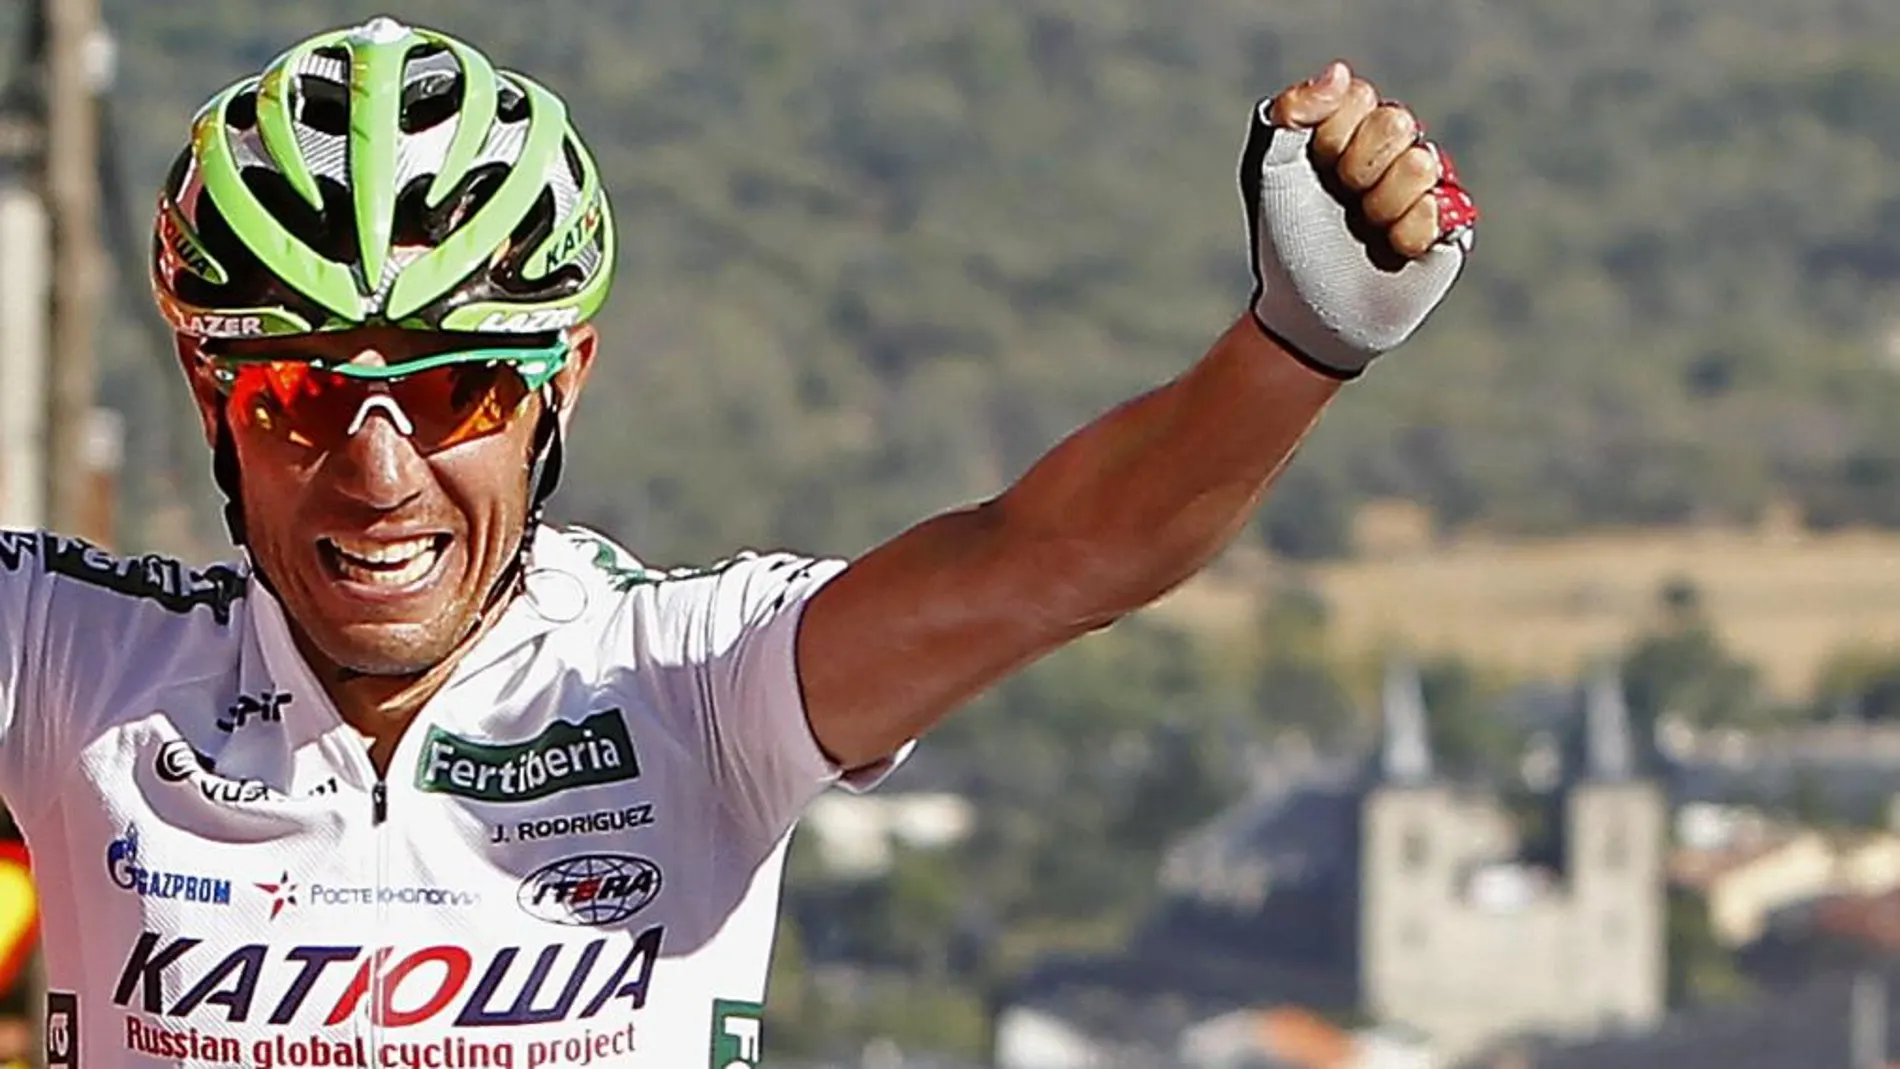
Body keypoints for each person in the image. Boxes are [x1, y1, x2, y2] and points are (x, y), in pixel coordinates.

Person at [6, 16, 1475, 1068]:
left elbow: (1049, 561)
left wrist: (1300, 343)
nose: (379, 471)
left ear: (561, 385)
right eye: (301, 391)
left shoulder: (686, 682)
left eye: (457, 390)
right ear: (208, 390)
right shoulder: (82, 663)